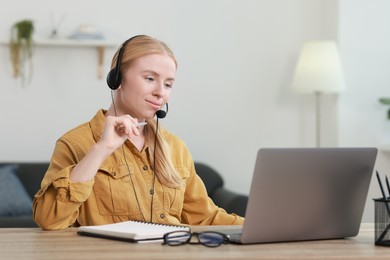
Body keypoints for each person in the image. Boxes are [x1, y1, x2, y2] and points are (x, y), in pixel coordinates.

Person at [33, 35, 244, 230]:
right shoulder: (75, 143)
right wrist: (102, 149)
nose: (160, 92)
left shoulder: (175, 147)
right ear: (117, 79)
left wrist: (259, 226)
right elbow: (49, 220)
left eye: (168, 84)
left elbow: (205, 217)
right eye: (150, 78)